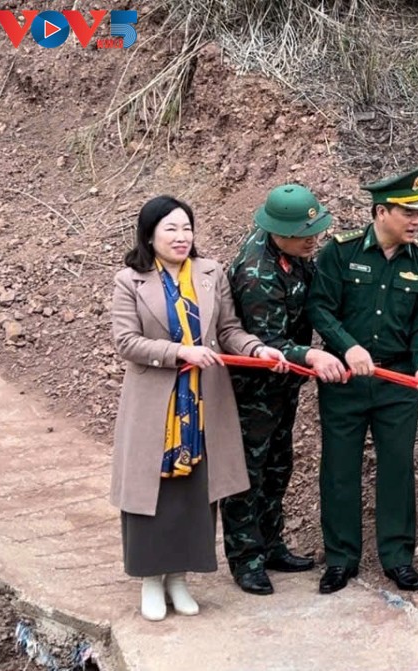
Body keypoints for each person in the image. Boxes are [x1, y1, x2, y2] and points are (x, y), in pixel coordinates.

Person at [110, 195, 285, 621]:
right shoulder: (130, 280)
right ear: (149, 235)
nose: (181, 236)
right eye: (170, 228)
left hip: (204, 401)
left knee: (195, 492)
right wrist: (179, 352)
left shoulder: (210, 273)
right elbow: (126, 342)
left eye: (186, 227)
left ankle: (179, 579)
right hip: (155, 404)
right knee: (151, 493)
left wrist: (257, 349)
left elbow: (228, 330)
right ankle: (151, 580)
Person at [307, 167, 418, 594]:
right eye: (408, 212)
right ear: (381, 212)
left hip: (398, 381)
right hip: (345, 379)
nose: (416, 220)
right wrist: (347, 346)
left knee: (397, 468)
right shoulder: (340, 253)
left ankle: (398, 558)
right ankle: (340, 559)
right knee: (339, 468)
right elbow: (320, 308)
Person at [221, 184, 348, 596]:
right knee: (247, 474)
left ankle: (271, 544)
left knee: (277, 466)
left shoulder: (295, 255)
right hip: (253, 394)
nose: (314, 240)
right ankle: (246, 560)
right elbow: (267, 341)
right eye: (304, 234)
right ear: (278, 232)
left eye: (315, 230)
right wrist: (312, 355)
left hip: (283, 387)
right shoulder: (256, 273)